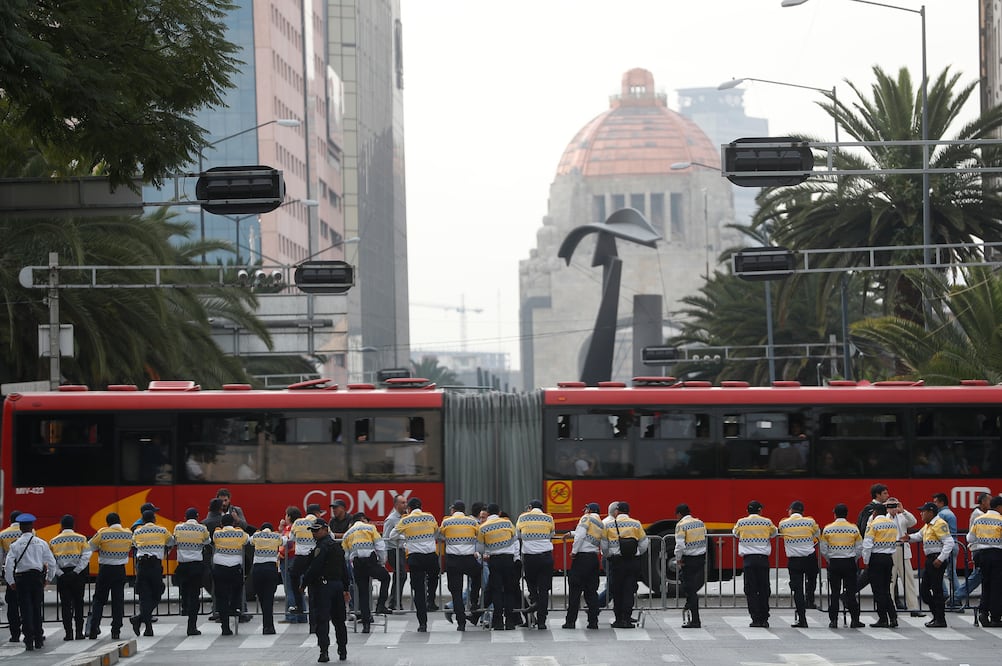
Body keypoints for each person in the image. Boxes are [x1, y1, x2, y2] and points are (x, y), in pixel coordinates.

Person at [2, 513, 57, 651]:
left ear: (20, 528)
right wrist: (48, 579)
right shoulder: (41, 543)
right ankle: (38, 639)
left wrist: (11, 581)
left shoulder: (15, 545)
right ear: (32, 527)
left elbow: (8, 565)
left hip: (21, 579)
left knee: (25, 609)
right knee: (37, 608)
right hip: (37, 578)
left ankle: (28, 641)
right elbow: (51, 563)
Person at [301, 518, 350, 663]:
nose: (314, 534)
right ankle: (342, 649)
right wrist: (346, 588)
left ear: (325, 530)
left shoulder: (321, 547)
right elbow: (344, 569)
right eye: (313, 531)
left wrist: (304, 583)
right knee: (339, 620)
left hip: (323, 588)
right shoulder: (336, 546)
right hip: (337, 586)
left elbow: (314, 567)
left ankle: (324, 651)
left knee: (322, 620)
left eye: (317, 530)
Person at [388, 497, 439, 632]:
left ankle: (423, 623)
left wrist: (406, 537)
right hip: (431, 556)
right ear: (421, 507)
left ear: (409, 509)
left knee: (418, 591)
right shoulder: (430, 517)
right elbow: (436, 532)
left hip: (415, 558)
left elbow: (392, 535)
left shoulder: (406, 520)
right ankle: (431, 599)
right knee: (434, 577)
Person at [903, 501, 955, 628]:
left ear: (931, 512)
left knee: (937, 591)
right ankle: (937, 616)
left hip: (936, 560)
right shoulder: (928, 525)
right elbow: (919, 536)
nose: (921, 514)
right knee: (924, 591)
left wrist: (940, 559)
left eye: (923, 511)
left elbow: (949, 542)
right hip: (930, 560)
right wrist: (908, 538)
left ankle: (940, 619)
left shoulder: (939, 524)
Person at [342, 512, 390, 632]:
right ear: (362, 519)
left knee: (363, 594)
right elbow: (380, 546)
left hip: (357, 564)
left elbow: (346, 555)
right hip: (370, 561)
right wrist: (381, 561)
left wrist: (353, 564)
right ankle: (380, 605)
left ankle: (366, 625)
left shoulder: (348, 533)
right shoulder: (370, 528)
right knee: (386, 578)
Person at [88, 512, 133, 639]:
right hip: (120, 570)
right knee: (118, 600)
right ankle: (116, 630)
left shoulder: (103, 533)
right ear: (120, 521)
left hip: (105, 570)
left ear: (108, 523)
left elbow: (90, 546)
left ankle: (94, 628)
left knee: (99, 599)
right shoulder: (128, 533)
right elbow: (131, 546)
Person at [819, 503, 864, 629]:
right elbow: (859, 547)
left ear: (834, 514)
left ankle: (833, 620)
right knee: (851, 592)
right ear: (847, 514)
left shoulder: (828, 529)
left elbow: (823, 549)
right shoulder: (854, 529)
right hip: (849, 563)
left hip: (834, 563)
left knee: (834, 592)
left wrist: (830, 559)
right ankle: (855, 620)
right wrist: (853, 558)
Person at [603, 501, 648, 629]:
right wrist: (637, 553)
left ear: (616, 511)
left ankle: (618, 620)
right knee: (629, 590)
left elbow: (604, 545)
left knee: (617, 591)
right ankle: (627, 620)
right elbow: (644, 543)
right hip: (632, 561)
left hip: (617, 562)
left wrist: (608, 555)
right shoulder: (636, 523)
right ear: (628, 511)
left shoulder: (609, 524)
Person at [732, 500, 777, 628]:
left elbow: (735, 533)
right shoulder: (767, 522)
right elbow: (774, 533)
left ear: (747, 511)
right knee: (764, 589)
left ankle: (755, 619)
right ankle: (764, 618)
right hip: (763, 559)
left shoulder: (741, 522)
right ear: (760, 510)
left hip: (748, 560)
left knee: (751, 590)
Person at [438, 500, 481, 631]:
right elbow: (479, 535)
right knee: (477, 575)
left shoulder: (446, 522)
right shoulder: (472, 522)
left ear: (453, 510)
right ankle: (474, 601)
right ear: (464, 510)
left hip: (453, 560)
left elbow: (440, 535)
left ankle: (461, 623)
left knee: (456, 593)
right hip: (469, 559)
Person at [130, 509, 174, 637]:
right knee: (158, 591)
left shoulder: (137, 532)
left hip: (142, 566)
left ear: (143, 520)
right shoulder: (162, 530)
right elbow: (171, 542)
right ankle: (141, 621)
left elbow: (134, 544)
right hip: (155, 566)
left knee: (144, 597)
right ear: (154, 519)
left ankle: (146, 626)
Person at [48, 514, 91, 641]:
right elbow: (86, 557)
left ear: (61, 526)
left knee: (66, 605)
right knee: (79, 603)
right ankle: (79, 632)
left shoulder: (53, 541)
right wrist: (76, 571)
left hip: (63, 576)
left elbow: (51, 561)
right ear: (73, 525)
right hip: (77, 575)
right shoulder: (81, 539)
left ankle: (68, 633)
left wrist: (60, 573)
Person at [778, 500, 820, 628]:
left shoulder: (783, 523)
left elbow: (781, 535)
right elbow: (817, 534)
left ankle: (802, 619)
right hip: (810, 558)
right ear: (802, 512)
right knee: (812, 578)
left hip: (794, 560)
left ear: (791, 511)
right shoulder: (810, 521)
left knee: (797, 590)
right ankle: (810, 599)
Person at [478, 503, 519, 630]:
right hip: (508, 559)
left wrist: (489, 551)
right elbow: (515, 539)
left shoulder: (483, 527)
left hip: (494, 560)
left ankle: (498, 622)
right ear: (499, 512)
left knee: (496, 591)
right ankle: (510, 621)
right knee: (509, 590)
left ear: (488, 513)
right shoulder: (508, 523)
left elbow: (480, 548)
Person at [562, 502, 603, 630]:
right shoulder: (600, 523)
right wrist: (571, 533)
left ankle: (570, 622)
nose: (584, 511)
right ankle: (593, 622)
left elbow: (581, 535)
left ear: (589, 510)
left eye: (585, 509)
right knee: (591, 592)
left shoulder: (586, 518)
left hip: (582, 559)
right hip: (593, 559)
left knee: (575, 591)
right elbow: (588, 535)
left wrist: (574, 552)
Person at [516, 499, 555, 630]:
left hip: (530, 557)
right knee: (544, 590)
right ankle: (542, 621)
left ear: (530, 507)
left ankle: (536, 602)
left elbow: (518, 534)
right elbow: (551, 534)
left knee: (531, 583)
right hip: (546, 557)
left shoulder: (522, 517)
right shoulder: (549, 518)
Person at [173, 507, 211, 636]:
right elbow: (207, 541)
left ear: (185, 517)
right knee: (194, 595)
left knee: (184, 590)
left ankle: (185, 607)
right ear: (197, 517)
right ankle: (191, 626)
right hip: (196, 566)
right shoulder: (202, 528)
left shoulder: (178, 528)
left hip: (182, 566)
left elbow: (175, 540)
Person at [883, 497, 923, 617]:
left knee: (909, 579)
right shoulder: (884, 518)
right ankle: (890, 608)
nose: (892, 509)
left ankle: (913, 607)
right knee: (890, 581)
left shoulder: (902, 517)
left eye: (894, 506)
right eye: (890, 506)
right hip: (890, 549)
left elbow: (913, 521)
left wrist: (903, 510)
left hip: (903, 549)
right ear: (886, 508)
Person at [862, 503, 899, 628]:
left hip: (876, 559)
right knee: (886, 590)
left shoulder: (873, 525)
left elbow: (867, 544)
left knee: (878, 591)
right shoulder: (892, 524)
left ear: (875, 513)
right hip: (888, 559)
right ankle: (893, 617)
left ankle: (883, 618)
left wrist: (866, 561)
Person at [967, 495, 1002, 627]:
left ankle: (983, 613)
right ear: (999, 507)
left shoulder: (979, 519)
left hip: (982, 555)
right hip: (997, 555)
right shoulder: (1001, 520)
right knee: (997, 587)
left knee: (986, 585)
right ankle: (995, 617)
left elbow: (970, 538)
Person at [954, 492, 993, 611]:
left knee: (982, 576)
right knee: (977, 575)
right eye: (989, 500)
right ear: (983, 502)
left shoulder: (982, 513)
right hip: (979, 549)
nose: (991, 503)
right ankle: (956, 597)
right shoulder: (978, 515)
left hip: (982, 549)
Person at [212, 513, 249, 636]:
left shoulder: (217, 533)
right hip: (235, 568)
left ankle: (225, 627)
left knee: (221, 597)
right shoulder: (239, 533)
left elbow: (214, 538)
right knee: (237, 590)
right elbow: (247, 540)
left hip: (220, 568)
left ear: (221, 524)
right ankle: (234, 608)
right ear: (234, 523)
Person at [674, 503, 707, 629]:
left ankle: (695, 620)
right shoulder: (700, 523)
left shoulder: (681, 525)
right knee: (691, 588)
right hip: (700, 559)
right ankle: (690, 608)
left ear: (679, 514)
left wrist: (678, 559)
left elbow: (680, 545)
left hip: (689, 560)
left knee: (690, 590)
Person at [290, 503, 323, 626]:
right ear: (316, 513)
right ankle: (314, 620)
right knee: (314, 587)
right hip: (314, 558)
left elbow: (291, 538)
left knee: (294, 577)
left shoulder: (297, 522)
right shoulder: (320, 522)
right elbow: (329, 536)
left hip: (300, 558)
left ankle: (299, 605)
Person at [250, 521, 285, 635]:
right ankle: (269, 627)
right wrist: (280, 530)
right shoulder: (276, 537)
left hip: (257, 570)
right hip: (271, 569)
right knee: (269, 598)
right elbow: (285, 540)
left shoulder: (256, 536)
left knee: (261, 598)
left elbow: (250, 541)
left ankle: (267, 625)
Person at [0, 510, 25, 644]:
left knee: (12, 604)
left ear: (10, 520)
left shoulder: (3, 534)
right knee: (28, 603)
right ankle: (31, 632)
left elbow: (0, 557)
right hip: (26, 572)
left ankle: (15, 634)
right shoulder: (29, 532)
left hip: (11, 572)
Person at [932, 492, 960, 604]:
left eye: (935, 502)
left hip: (946, 546)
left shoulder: (941, 515)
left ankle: (951, 596)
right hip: (954, 544)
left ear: (941, 502)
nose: (934, 505)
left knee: (941, 572)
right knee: (951, 572)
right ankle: (956, 597)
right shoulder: (950, 513)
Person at [382, 494, 408, 611]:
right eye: (403, 503)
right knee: (401, 574)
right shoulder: (391, 519)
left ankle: (395, 601)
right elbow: (386, 537)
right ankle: (395, 601)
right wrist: (384, 554)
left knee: (400, 576)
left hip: (401, 549)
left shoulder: (405, 517)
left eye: (406, 502)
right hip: (393, 550)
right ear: (396, 505)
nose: (405, 505)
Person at [279, 506, 302, 623]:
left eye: (286, 514)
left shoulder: (290, 528)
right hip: (298, 559)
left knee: (290, 589)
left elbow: (288, 544)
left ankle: (291, 616)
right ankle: (302, 616)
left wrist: (280, 554)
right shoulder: (300, 528)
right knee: (299, 589)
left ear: (289, 516)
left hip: (288, 560)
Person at [597, 501, 620, 608]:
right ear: (616, 512)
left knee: (612, 582)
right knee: (613, 585)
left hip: (606, 557)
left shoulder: (604, 522)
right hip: (611, 557)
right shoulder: (612, 523)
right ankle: (597, 604)